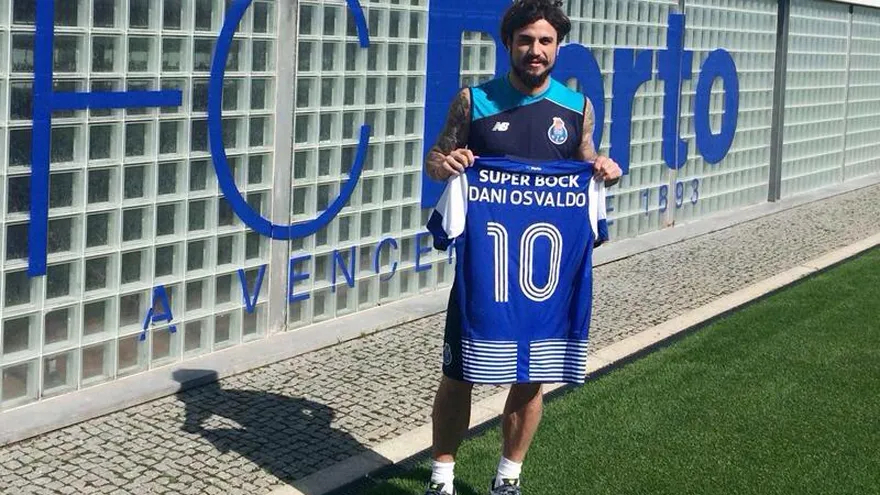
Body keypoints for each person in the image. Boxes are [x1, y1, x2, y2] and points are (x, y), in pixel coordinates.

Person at [422, 1, 622, 494]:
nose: (536, 51)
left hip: (543, 277)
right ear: (509, 43)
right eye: (526, 40)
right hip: (483, 271)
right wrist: (446, 166)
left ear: (558, 47)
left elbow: (586, 162)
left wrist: (603, 171)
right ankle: (442, 478)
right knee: (460, 372)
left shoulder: (576, 109)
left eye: (546, 42)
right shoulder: (474, 101)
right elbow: (434, 158)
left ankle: (507, 478)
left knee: (531, 377)